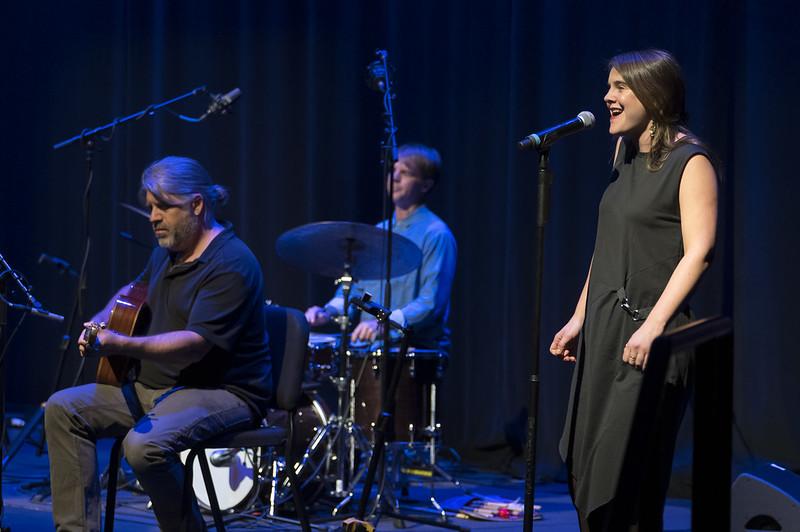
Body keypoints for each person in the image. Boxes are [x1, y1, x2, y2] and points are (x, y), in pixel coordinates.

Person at [45, 156, 272, 532]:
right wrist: (101, 320)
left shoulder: (232, 262)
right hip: (155, 388)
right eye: (151, 207)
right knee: (63, 409)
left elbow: (195, 344)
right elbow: (132, 293)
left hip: (221, 392)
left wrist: (119, 343)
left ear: (197, 205)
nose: (152, 217)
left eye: (163, 206)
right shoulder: (165, 253)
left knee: (142, 447)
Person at [549, 50, 718, 531]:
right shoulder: (624, 158)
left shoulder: (690, 161)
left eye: (621, 86)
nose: (608, 96)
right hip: (604, 332)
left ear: (655, 93)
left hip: (646, 338)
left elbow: (699, 251)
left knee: (627, 478)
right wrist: (579, 318)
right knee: (587, 469)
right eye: (609, 86)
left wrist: (654, 329)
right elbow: (606, 250)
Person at [305, 143, 457, 353]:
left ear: (425, 185)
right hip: (369, 350)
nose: (394, 177)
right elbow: (362, 292)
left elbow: (430, 302)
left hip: (410, 352)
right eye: (393, 170)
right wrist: (329, 311)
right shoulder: (379, 232)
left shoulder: (435, 234)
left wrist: (386, 324)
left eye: (405, 172)